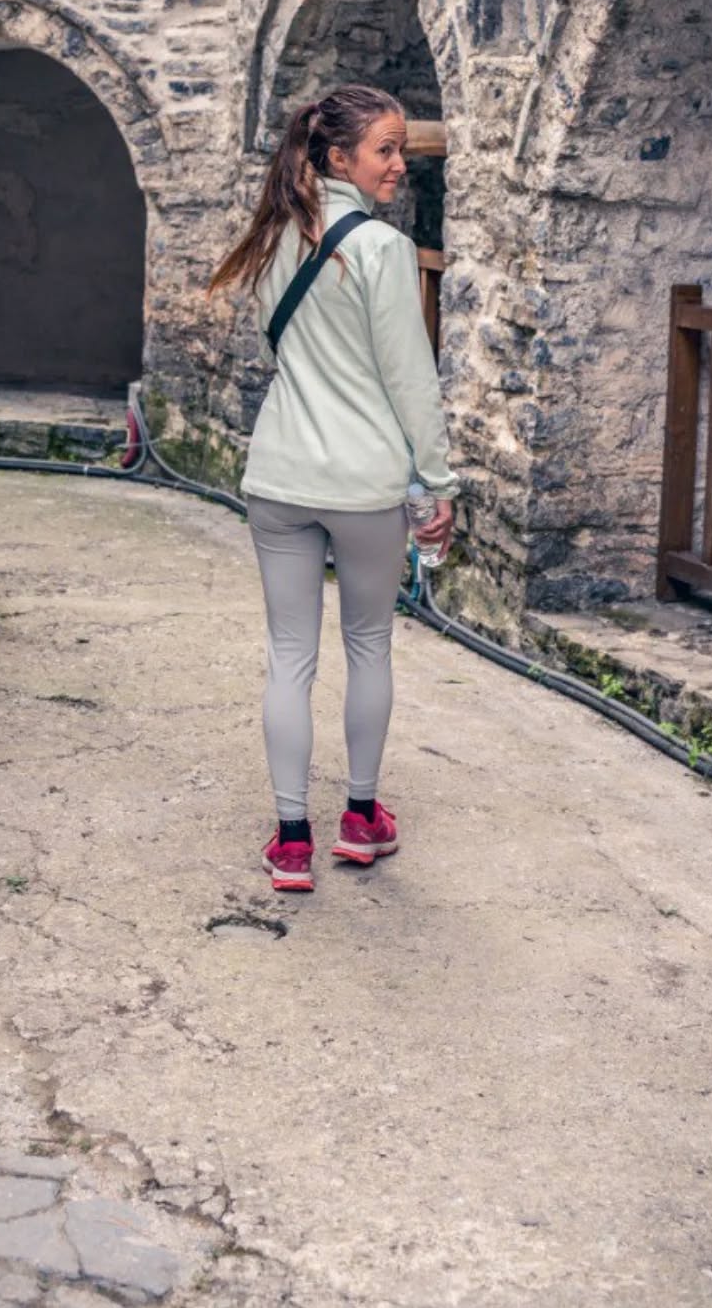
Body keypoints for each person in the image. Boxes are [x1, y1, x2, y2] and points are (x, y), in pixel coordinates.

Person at [209, 84, 459, 892]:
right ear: (338, 156)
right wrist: (436, 481)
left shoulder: (271, 239)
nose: (398, 164)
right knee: (368, 645)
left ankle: (289, 838)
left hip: (280, 474)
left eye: (400, 149)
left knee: (289, 656)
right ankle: (358, 817)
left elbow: (274, 347)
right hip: (363, 484)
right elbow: (411, 380)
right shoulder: (382, 250)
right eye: (385, 149)